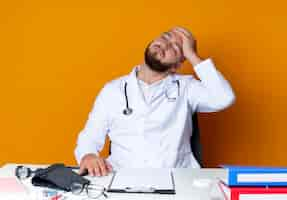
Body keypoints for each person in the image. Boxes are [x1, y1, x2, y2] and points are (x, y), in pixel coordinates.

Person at [74, 27, 235, 176]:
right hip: (121, 178)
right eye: (165, 37)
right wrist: (88, 155)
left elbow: (224, 98)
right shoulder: (113, 90)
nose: (165, 45)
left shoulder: (186, 87)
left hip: (177, 181)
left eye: (175, 48)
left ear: (176, 66)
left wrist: (192, 55)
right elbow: (89, 137)